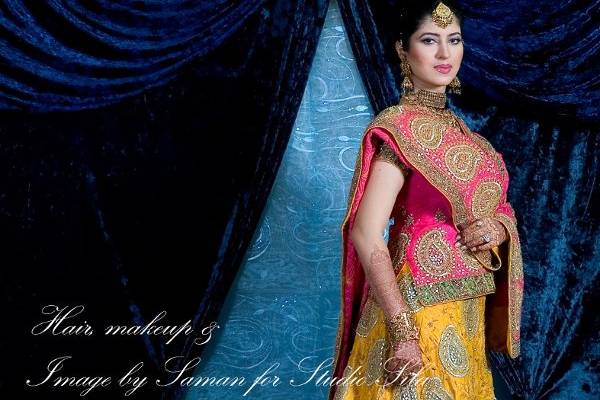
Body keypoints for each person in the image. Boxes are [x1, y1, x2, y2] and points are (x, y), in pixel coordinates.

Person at [328, 1, 524, 399]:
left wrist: (498, 228)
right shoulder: (398, 130)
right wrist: (402, 330)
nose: (443, 54)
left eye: (453, 41)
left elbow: (499, 208)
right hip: (415, 311)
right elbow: (366, 233)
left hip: (467, 311)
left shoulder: (473, 142)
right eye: (429, 40)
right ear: (404, 49)